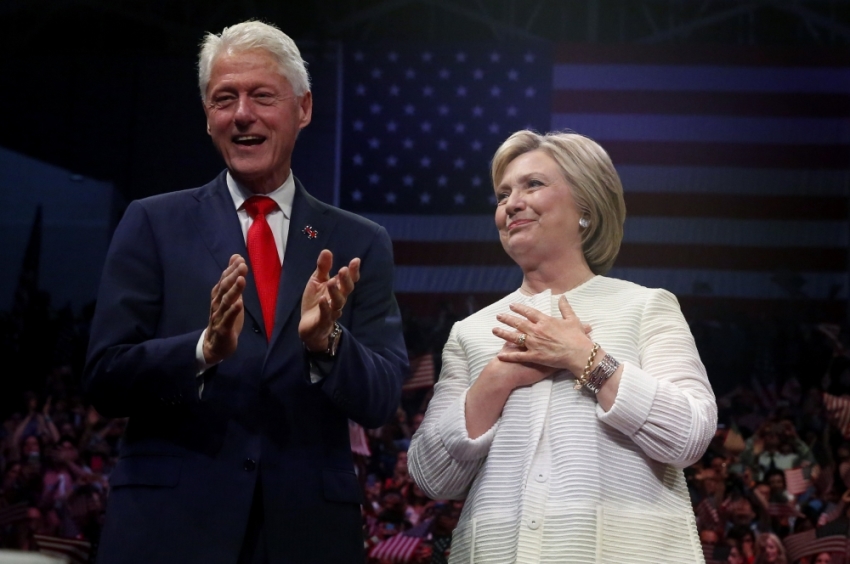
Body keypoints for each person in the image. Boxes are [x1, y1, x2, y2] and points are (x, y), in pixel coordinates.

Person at [83, 20, 408, 564]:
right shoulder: (152, 223)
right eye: (223, 99)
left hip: (305, 536)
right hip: (168, 533)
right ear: (209, 117)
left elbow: (380, 399)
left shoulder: (358, 242)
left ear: (302, 109)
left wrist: (327, 346)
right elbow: (104, 379)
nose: (241, 114)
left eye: (261, 96)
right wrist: (201, 350)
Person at [407, 130, 717, 563]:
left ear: (586, 206)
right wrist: (497, 378)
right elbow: (431, 476)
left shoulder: (645, 307)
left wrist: (586, 360)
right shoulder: (471, 332)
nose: (511, 204)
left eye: (533, 184)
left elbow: (690, 435)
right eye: (502, 195)